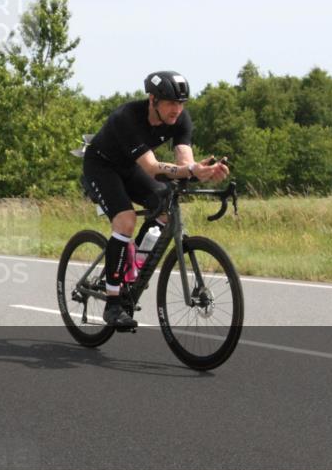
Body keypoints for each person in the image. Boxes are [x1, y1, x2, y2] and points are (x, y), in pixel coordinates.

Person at [82, 71, 229, 329]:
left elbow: (185, 161)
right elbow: (151, 167)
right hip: (101, 166)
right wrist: (191, 171)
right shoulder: (127, 118)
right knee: (125, 221)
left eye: (181, 103)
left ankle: (134, 262)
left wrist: (202, 172)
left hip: (129, 168)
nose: (177, 109)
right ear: (153, 100)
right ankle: (113, 303)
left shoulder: (180, 119)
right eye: (171, 103)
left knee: (165, 208)